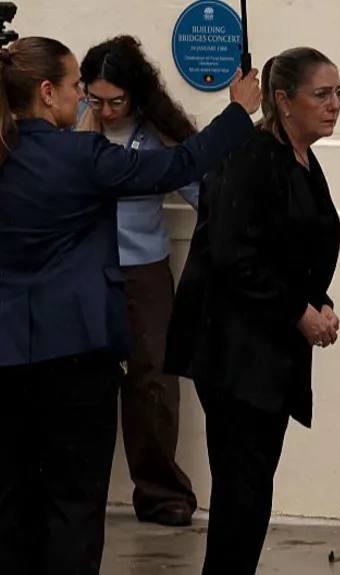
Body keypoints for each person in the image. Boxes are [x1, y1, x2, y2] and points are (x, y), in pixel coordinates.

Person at [0, 36, 261, 575]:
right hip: (75, 352)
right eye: (76, 87)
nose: (84, 100)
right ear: (47, 94)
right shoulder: (80, 156)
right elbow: (175, 167)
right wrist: (237, 112)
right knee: (74, 501)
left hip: (6, 356)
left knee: (13, 500)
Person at [164, 47, 340, 575]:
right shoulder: (250, 155)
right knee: (242, 492)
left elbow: (294, 250)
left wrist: (321, 303)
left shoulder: (304, 159)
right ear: (283, 101)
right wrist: (298, 310)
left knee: (252, 488)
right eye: (322, 94)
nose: (334, 105)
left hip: (270, 349)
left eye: (339, 93)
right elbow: (231, 252)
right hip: (233, 351)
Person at [76, 34, 199, 528]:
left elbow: (201, 192)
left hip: (144, 267)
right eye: (94, 98)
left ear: (135, 94)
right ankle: (82, 491)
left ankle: (161, 492)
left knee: (153, 379)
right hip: (83, 267)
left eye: (116, 101)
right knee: (84, 380)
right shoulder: (71, 128)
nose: (106, 111)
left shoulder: (156, 133)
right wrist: (82, 128)